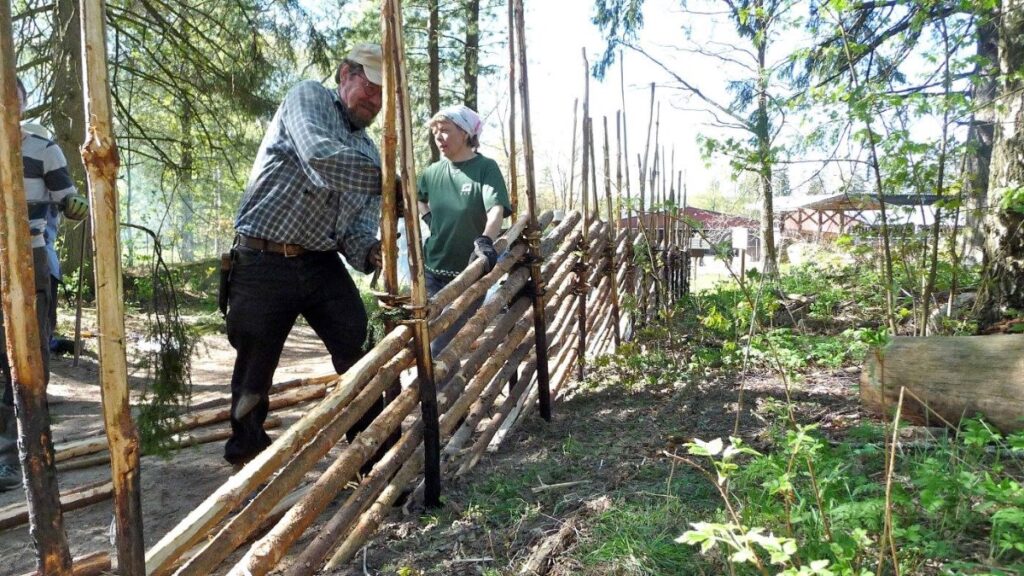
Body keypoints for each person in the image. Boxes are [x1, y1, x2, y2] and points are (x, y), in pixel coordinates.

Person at [223, 44, 388, 467]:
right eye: (369, 86)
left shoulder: (370, 152)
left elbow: (353, 232)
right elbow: (320, 157)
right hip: (262, 258)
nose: (374, 100)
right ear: (345, 75)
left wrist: (371, 252)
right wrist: (390, 184)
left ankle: (375, 451)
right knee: (254, 369)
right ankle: (248, 460)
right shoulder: (309, 98)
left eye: (382, 95)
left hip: (319, 262)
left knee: (358, 347)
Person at [0, 77, 89, 490]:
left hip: (34, 257)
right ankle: (6, 452)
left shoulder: (43, 149)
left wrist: (77, 207)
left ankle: (30, 451)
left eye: (12, 98)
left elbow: (67, 202)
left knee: (30, 359)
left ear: (22, 103)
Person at [417, 105, 512, 359]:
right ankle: (439, 396)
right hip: (431, 273)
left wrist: (485, 241)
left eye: (446, 130)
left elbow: (496, 209)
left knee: (441, 349)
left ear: (466, 134)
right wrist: (428, 217)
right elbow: (418, 197)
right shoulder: (431, 173)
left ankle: (440, 397)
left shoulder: (485, 168)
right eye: (436, 131)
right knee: (425, 343)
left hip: (469, 275)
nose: (438, 136)